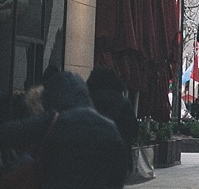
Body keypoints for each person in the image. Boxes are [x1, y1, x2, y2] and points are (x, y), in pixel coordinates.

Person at [0, 70, 130, 188]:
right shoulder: (110, 128)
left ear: (53, 97)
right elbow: (118, 173)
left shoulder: (54, 121)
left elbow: (8, 134)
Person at [86, 67, 139, 154]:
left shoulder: (87, 101)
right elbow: (133, 130)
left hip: (92, 151)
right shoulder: (123, 102)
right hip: (118, 151)